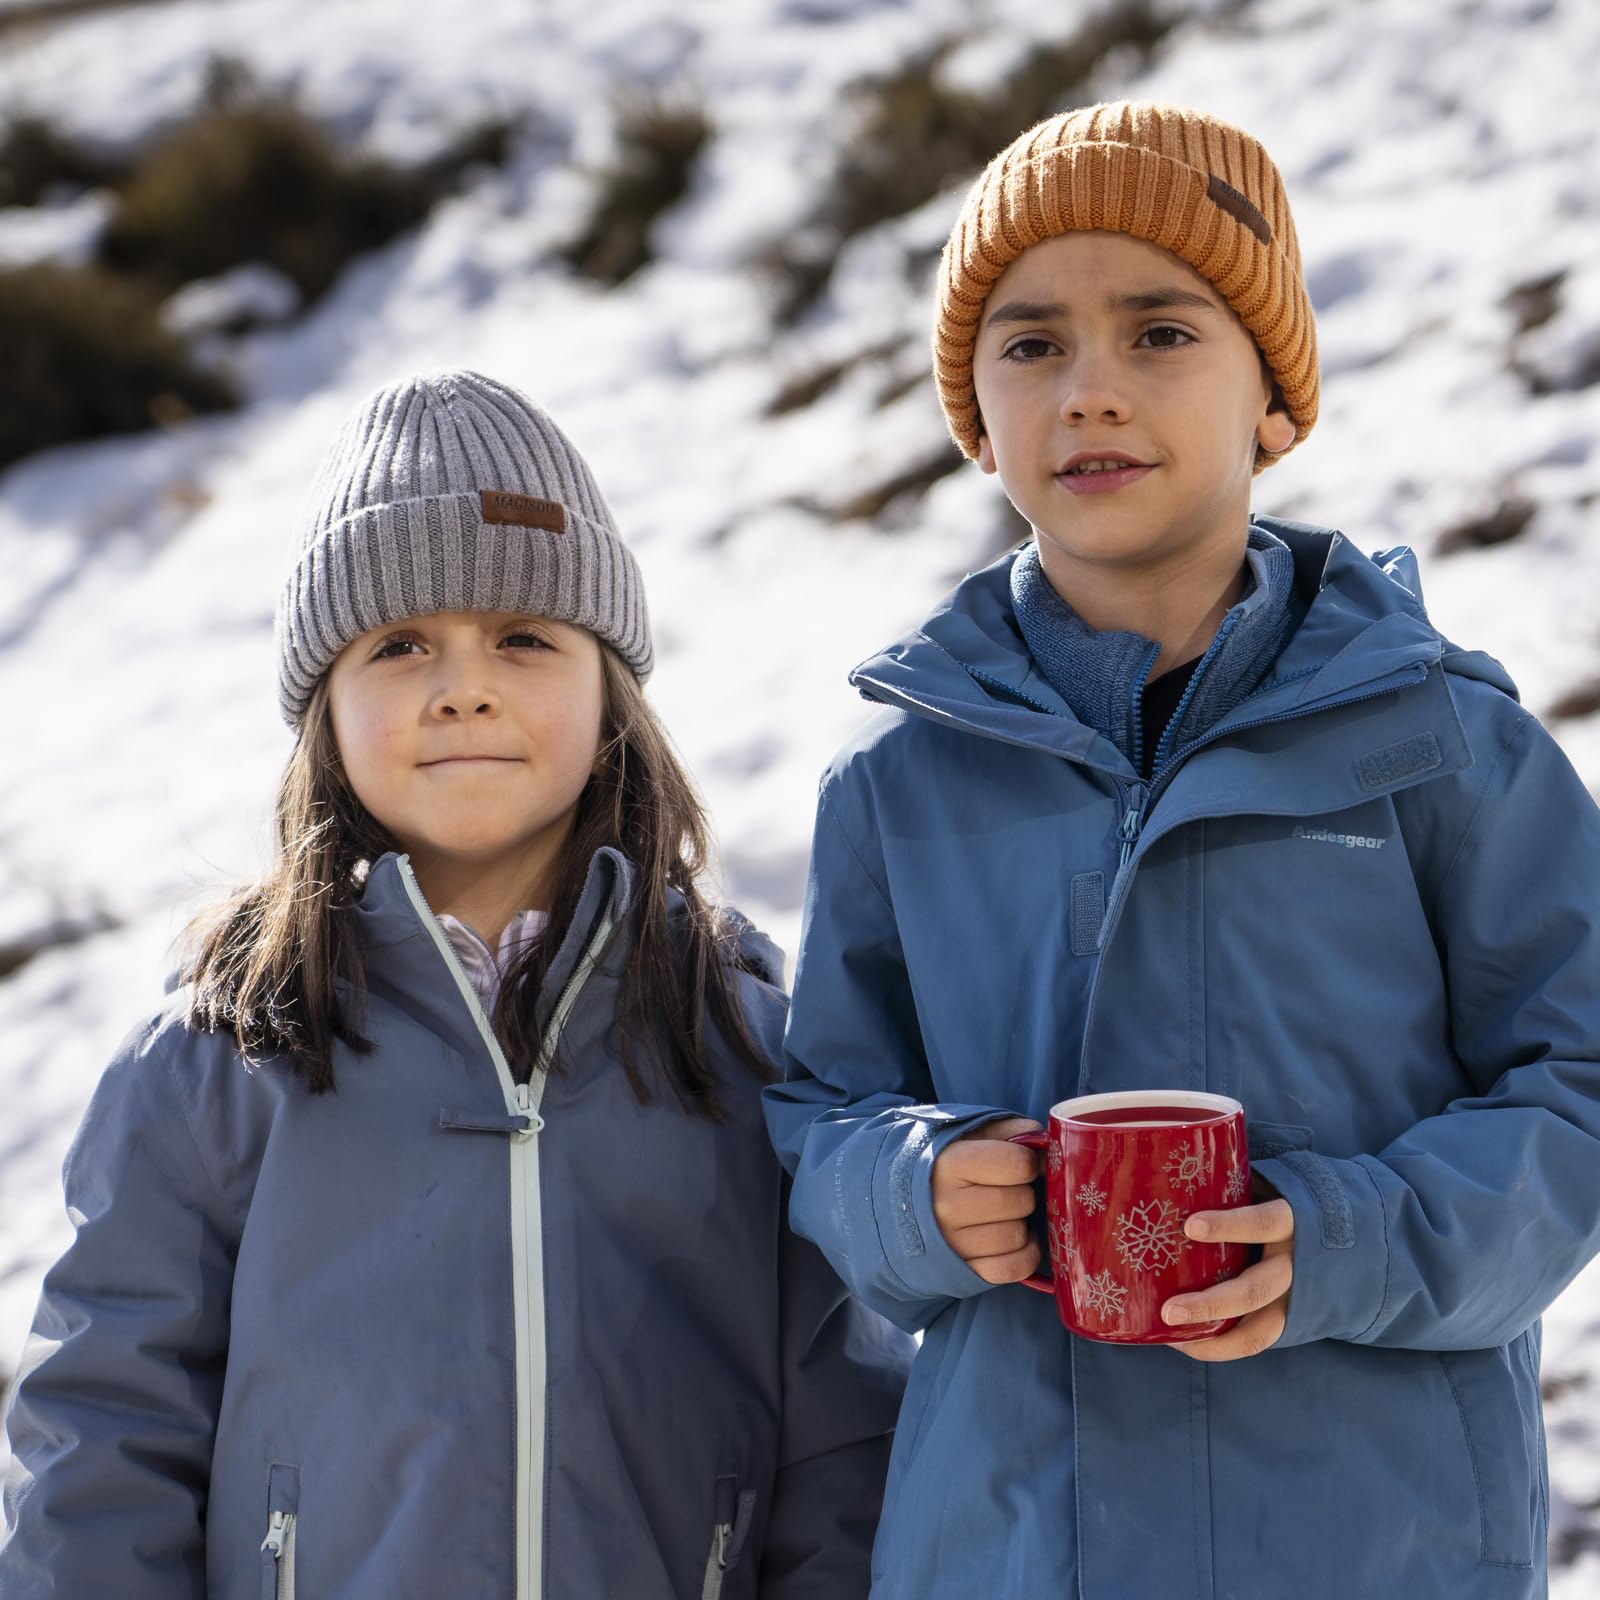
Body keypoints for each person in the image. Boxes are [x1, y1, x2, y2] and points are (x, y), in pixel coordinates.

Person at [764, 100, 1600, 1598]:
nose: (1091, 390)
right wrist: (913, 1191)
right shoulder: (901, 777)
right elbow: (819, 1105)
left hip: (1373, 1540)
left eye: (1159, 332)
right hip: (1016, 1543)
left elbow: (1580, 1080)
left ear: (1274, 400)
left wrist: (1348, 1238)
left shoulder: (1439, 738)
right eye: (1031, 345)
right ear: (976, 416)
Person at [0, 370, 911, 1599]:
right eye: (401, 642)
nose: (463, 684)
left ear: (612, 693)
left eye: (523, 637)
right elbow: (104, 1437)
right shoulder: (219, 1054)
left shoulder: (737, 1037)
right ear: (326, 705)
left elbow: (842, 1440)